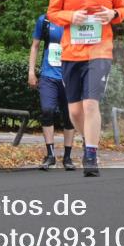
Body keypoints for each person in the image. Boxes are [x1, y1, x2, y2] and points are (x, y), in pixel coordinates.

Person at [47, 0, 124, 176]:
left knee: (91, 103)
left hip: (100, 50)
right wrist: (71, 17)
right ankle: (88, 140)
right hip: (72, 52)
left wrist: (112, 13)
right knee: (74, 111)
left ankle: (91, 154)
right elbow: (52, 13)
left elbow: (122, 9)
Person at [28, 13, 75, 170]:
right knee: (47, 110)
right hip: (48, 75)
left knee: (69, 116)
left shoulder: (75, 19)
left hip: (69, 76)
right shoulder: (45, 20)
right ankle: (50, 155)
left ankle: (68, 157)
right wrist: (31, 72)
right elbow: (35, 46)